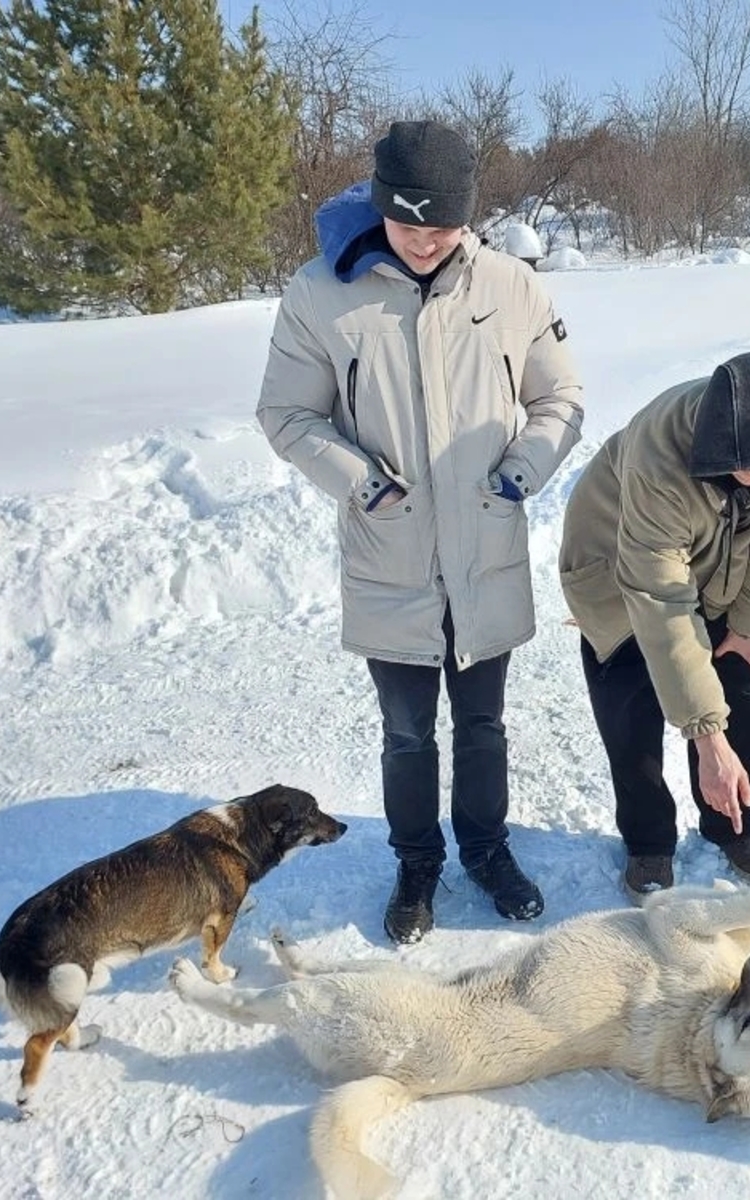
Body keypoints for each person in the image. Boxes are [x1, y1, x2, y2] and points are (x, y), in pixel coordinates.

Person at [256, 121, 584, 944]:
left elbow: (561, 399)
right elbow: (286, 414)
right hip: (389, 554)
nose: (429, 243)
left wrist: (525, 467)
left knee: (483, 725)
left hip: (485, 551)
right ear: (380, 207)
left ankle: (486, 850)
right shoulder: (322, 291)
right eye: (410, 226)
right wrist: (361, 482)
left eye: (445, 226)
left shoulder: (511, 288)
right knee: (406, 734)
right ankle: (417, 864)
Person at [559, 350, 750, 900]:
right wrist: (705, 734)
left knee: (742, 686)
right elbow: (662, 598)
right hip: (618, 566)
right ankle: (648, 842)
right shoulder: (659, 452)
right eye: (744, 464)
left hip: (719, 561)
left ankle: (732, 824)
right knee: (632, 703)